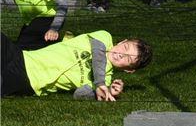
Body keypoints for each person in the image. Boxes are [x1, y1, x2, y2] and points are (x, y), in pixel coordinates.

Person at [0, 31, 151, 99]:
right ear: (122, 41)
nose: (121, 54)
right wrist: (99, 83)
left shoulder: (105, 81)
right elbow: (98, 52)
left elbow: (79, 94)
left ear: (129, 70)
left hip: (28, 81)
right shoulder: (104, 38)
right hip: (23, 57)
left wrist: (105, 92)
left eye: (128, 59)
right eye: (125, 48)